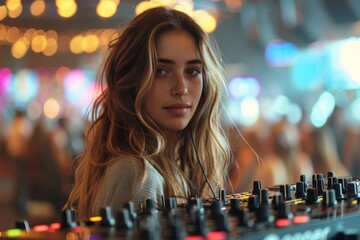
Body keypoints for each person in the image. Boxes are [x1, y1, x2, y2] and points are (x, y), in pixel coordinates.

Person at [64, 7, 232, 221]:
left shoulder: (171, 166)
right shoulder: (138, 175)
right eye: (161, 71)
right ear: (130, 82)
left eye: (192, 71)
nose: (181, 88)